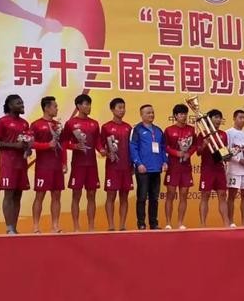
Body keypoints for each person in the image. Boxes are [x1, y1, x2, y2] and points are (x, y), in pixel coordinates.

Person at [0, 94, 31, 234]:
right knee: (9, 194)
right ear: (10, 105)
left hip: (21, 164)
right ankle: (9, 228)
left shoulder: (24, 123)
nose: (22, 105)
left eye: (22, 102)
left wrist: (27, 148)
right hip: (8, 164)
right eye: (18, 103)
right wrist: (15, 146)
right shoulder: (2, 122)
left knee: (18, 195)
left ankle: (14, 227)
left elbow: (25, 142)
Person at [62, 94, 101, 232]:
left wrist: (103, 150)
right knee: (76, 195)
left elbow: (98, 142)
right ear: (78, 106)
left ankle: (91, 227)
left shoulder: (94, 123)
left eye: (90, 104)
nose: (89, 107)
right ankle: (76, 227)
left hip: (92, 165)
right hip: (78, 165)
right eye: (86, 104)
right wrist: (74, 146)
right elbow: (64, 142)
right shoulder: (70, 123)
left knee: (91, 195)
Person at [29, 96, 65, 233]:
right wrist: (47, 145)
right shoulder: (36, 125)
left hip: (57, 166)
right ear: (46, 108)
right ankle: (36, 226)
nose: (57, 109)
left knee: (56, 195)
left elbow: (62, 146)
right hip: (43, 166)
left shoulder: (58, 126)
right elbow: (31, 144)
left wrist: (64, 163)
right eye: (55, 106)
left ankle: (55, 226)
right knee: (40, 195)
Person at [130, 104, 168, 230]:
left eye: (152, 112)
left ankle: (153, 223)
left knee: (154, 198)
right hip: (143, 169)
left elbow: (163, 148)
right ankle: (141, 224)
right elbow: (133, 147)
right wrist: (138, 163)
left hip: (156, 169)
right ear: (141, 115)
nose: (151, 115)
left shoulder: (158, 130)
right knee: (142, 197)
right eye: (148, 113)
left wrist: (164, 161)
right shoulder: (137, 130)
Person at [100, 98, 133, 231]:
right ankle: (111, 225)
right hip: (112, 167)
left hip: (126, 167)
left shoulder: (128, 127)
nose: (122, 110)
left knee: (124, 197)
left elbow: (132, 147)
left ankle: (122, 225)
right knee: (111, 196)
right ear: (112, 109)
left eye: (123, 107)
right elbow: (101, 145)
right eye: (119, 107)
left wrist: (133, 165)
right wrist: (105, 152)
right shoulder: (106, 127)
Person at [163, 103, 197, 230]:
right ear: (175, 116)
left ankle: (180, 223)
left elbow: (194, 145)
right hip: (173, 167)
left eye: (185, 114)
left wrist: (189, 153)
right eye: (181, 114)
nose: (184, 116)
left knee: (183, 195)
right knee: (170, 194)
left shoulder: (191, 130)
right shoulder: (169, 130)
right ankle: (168, 223)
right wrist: (176, 153)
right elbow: (165, 146)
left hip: (186, 168)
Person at [197, 109, 232, 228]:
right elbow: (198, 152)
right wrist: (204, 144)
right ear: (209, 119)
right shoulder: (203, 134)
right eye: (216, 117)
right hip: (207, 169)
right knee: (205, 195)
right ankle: (203, 224)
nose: (218, 120)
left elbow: (224, 151)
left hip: (219, 169)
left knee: (222, 195)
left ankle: (226, 223)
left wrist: (226, 156)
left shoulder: (223, 134)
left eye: (220, 117)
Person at [226, 110, 244, 227]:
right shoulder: (228, 133)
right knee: (232, 195)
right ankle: (230, 221)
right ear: (234, 118)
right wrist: (238, 160)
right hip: (234, 169)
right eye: (240, 117)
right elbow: (226, 151)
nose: (243, 120)